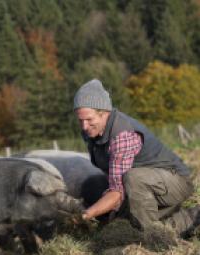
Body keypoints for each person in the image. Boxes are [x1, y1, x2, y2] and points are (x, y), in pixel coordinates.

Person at [73, 79, 200, 237]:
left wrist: (85, 215)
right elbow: (114, 179)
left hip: (175, 182)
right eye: (80, 120)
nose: (84, 126)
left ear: (104, 112)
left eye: (89, 120)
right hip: (145, 187)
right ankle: (163, 223)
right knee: (116, 226)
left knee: (134, 183)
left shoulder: (122, 135)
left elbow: (117, 192)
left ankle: (155, 236)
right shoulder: (92, 134)